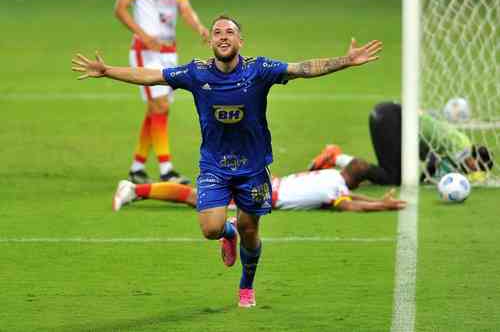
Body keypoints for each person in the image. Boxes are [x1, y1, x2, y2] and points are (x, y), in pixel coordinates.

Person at [72, 15, 383, 308]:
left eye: (229, 32)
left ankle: (246, 285)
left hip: (253, 169)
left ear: (240, 41)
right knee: (211, 229)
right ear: (211, 42)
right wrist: (108, 70)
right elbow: (152, 75)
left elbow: (302, 68)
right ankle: (227, 234)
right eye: (218, 32)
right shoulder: (196, 73)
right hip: (214, 168)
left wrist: (346, 61)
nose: (223, 37)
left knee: (250, 229)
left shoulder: (259, 70)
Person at [114, 0, 209, 185]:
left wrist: (199, 27)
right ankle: (167, 169)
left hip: (169, 52)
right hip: (145, 51)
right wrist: (143, 35)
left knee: (158, 109)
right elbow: (120, 9)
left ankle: (137, 166)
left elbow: (185, 8)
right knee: (161, 106)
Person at [309, 102, 495, 185]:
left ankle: (340, 160)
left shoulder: (457, 143)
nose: (471, 171)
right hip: (390, 120)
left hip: (388, 115)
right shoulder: (461, 147)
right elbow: (434, 164)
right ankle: (336, 157)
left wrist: (424, 179)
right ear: (475, 159)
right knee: (393, 178)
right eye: (476, 168)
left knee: (394, 173)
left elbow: (432, 162)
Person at [111, 161, 407, 212]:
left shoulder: (331, 177)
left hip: (266, 181)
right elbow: (350, 204)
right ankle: (134, 190)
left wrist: (375, 198)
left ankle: (137, 191)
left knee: (197, 196)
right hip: (262, 194)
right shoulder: (334, 191)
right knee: (195, 198)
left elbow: (347, 195)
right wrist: (381, 204)